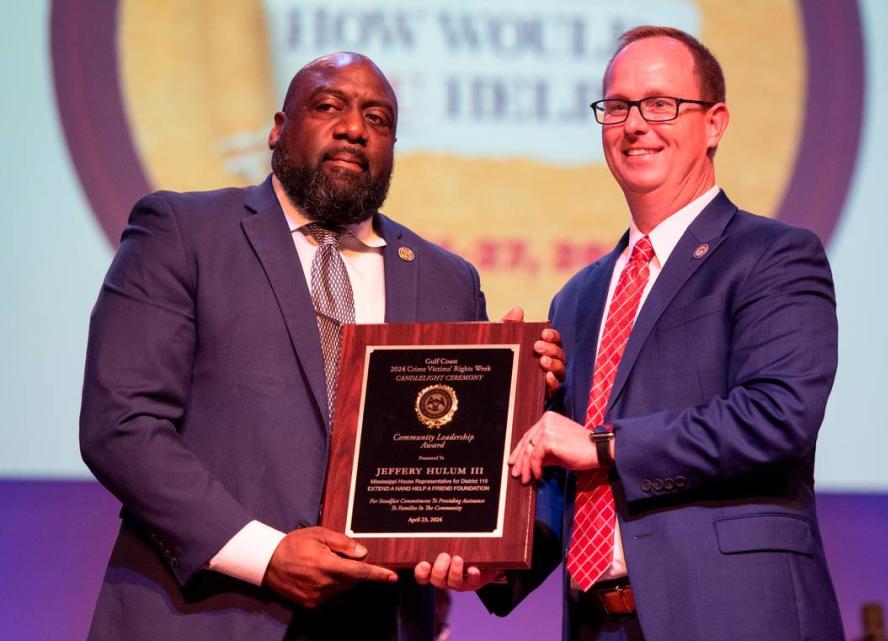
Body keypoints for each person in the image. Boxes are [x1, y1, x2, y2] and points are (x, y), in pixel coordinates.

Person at [79, 52, 563, 641]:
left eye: (378, 119)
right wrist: (266, 554)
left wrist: (521, 391)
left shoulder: (446, 278)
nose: (355, 127)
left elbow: (469, 457)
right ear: (279, 129)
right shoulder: (185, 231)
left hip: (378, 621)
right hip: (208, 614)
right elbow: (123, 423)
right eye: (328, 105)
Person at [444, 25, 845, 641]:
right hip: (597, 625)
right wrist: (494, 560)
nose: (635, 124)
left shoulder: (773, 256)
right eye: (618, 106)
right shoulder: (577, 297)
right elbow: (565, 469)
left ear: (714, 123)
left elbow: (778, 416)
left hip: (736, 614)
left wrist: (605, 444)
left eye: (661, 104)